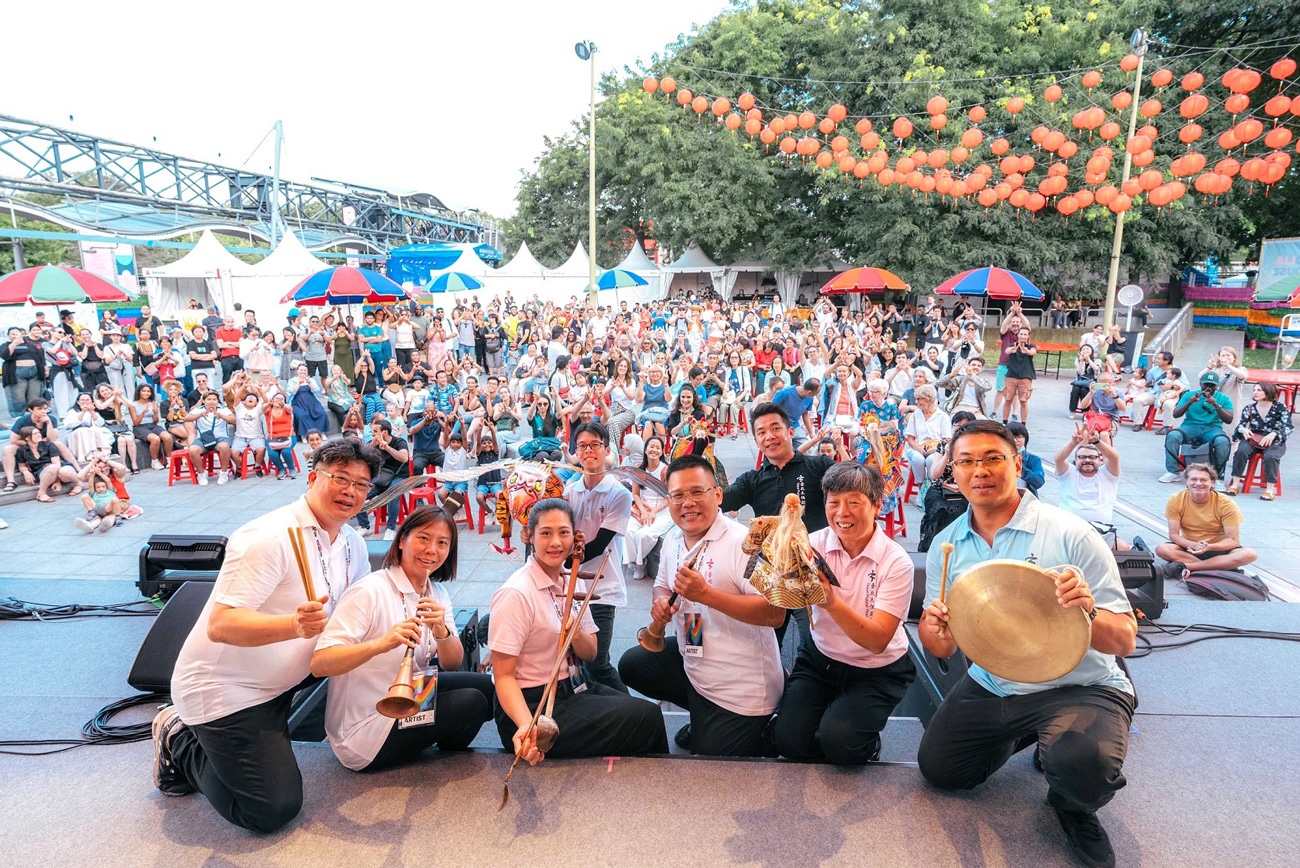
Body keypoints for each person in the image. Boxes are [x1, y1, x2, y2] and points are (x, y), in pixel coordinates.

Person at [918, 420, 1138, 868]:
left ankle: (1071, 805)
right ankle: (1032, 735)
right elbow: (941, 649)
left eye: (992, 458)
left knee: (1083, 766)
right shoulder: (946, 545)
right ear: (952, 473)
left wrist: (1087, 611)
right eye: (966, 462)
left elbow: (1126, 640)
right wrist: (933, 629)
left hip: (1081, 683)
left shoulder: (1070, 534)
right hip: (996, 682)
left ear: (1018, 464)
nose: (980, 470)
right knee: (943, 771)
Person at [152, 438, 378, 832]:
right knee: (271, 810)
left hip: (286, 679)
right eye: (340, 478)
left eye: (361, 485)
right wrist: (292, 625)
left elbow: (360, 609)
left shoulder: (351, 542)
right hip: (229, 691)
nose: (350, 491)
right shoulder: (268, 537)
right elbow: (222, 625)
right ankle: (178, 737)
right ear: (312, 478)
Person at [618, 454, 784, 756]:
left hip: (741, 690)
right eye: (678, 495)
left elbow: (775, 612)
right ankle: (701, 712)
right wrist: (659, 603)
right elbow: (663, 584)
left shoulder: (744, 543)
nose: (687, 503)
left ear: (718, 494)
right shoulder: (674, 539)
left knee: (709, 770)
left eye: (697, 492)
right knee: (633, 665)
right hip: (697, 663)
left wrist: (706, 594)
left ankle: (762, 731)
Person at [311, 507, 494, 771]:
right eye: (423, 538)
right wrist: (381, 644)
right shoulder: (369, 591)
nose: (432, 550)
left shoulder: (436, 591)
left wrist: (441, 631)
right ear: (401, 541)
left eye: (442, 543)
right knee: (470, 702)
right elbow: (320, 663)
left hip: (412, 694)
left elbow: (452, 662)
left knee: (486, 688)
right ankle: (434, 752)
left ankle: (438, 745)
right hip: (367, 727)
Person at [489, 498, 668, 763]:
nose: (556, 542)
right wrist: (528, 727)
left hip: (575, 687)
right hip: (532, 706)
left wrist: (577, 634)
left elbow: (590, 653)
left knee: (637, 710)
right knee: (647, 718)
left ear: (574, 536)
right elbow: (503, 677)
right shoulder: (515, 593)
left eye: (564, 533)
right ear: (529, 536)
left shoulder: (573, 579)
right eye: (546, 533)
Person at [773, 462, 916, 765]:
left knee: (843, 746)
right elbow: (781, 592)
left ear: (877, 504)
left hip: (878, 670)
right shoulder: (811, 544)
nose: (842, 513)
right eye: (834, 502)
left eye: (854, 502)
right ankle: (836, 725)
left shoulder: (896, 562)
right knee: (787, 741)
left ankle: (863, 741)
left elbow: (878, 640)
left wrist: (830, 601)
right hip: (820, 659)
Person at [564, 422, 633, 693]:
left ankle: (632, 711)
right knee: (573, 658)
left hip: (601, 589)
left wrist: (556, 560)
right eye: (582, 445)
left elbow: (597, 546)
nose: (588, 450)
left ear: (607, 450)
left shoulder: (619, 494)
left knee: (597, 663)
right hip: (570, 587)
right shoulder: (570, 491)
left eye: (595, 444)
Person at [1154, 463, 1258, 579]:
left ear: (1212, 483)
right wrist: (1193, 544)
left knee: (1249, 554)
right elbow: (1173, 534)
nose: (1198, 483)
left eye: (1204, 480)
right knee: (1163, 549)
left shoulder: (1226, 503)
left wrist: (1209, 547)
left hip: (1219, 548)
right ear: (1187, 482)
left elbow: (1233, 541)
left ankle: (1186, 566)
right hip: (1190, 547)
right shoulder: (1176, 499)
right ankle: (1218, 567)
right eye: (1194, 479)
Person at [1160, 371, 1233, 483]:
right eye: (1205, 385)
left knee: (1223, 441)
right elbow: (1176, 414)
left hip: (1212, 428)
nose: (1208, 388)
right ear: (1200, 384)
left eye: (1212, 386)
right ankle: (1173, 471)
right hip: (1190, 426)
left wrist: (1216, 405)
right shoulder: (1190, 395)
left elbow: (1229, 419)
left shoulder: (1224, 398)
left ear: (1217, 386)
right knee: (1173, 435)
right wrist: (1189, 402)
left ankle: (1218, 477)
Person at [1226, 382, 1291, 500]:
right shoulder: (1250, 408)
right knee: (1241, 451)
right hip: (1254, 438)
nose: (1255, 392)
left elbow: (1288, 427)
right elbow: (1240, 424)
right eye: (1254, 390)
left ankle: (1270, 489)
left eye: (1259, 390)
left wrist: (1275, 433)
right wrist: (1243, 430)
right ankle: (1235, 484)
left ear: (1268, 392)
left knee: (1271, 456)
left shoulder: (1280, 408)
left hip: (1274, 440)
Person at [357, 418, 410, 540]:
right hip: (382, 477)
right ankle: (365, 526)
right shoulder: (374, 443)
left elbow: (404, 458)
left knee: (392, 497)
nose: (373, 433)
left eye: (375, 431)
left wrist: (387, 448)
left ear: (384, 432)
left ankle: (390, 528)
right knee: (360, 494)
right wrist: (372, 445)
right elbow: (361, 457)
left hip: (399, 476)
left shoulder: (399, 442)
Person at [184, 391, 236, 486]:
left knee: (224, 447)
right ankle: (201, 474)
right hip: (203, 438)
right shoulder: (198, 410)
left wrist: (221, 416)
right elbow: (186, 419)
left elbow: (234, 420)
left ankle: (224, 473)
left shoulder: (223, 409)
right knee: (193, 450)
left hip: (220, 438)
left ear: (217, 401)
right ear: (203, 401)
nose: (211, 402)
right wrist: (200, 415)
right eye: (209, 399)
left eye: (214, 399)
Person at [903, 384, 952, 481]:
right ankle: (921, 488)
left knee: (931, 460)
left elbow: (946, 439)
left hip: (936, 448)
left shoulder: (942, 416)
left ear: (929, 400)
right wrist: (919, 448)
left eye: (919, 399)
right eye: (916, 399)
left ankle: (931, 487)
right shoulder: (915, 415)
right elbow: (910, 438)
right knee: (918, 459)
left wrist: (935, 449)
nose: (916, 402)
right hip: (917, 447)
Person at [1000, 326, 1037, 423]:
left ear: (1028, 336)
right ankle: (1004, 423)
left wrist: (1027, 351)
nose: (1023, 336)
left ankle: (1023, 424)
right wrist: (1012, 350)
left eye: (1025, 334)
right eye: (1021, 334)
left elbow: (1033, 352)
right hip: (1011, 375)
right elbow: (1007, 351)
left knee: (1023, 401)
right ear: (1018, 335)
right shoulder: (1013, 346)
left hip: (1025, 376)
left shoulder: (1031, 346)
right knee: (1008, 399)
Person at [772, 378, 822, 447]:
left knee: (805, 447)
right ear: (809, 393)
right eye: (815, 394)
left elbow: (805, 414)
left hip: (795, 425)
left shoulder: (809, 398)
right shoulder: (785, 393)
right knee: (787, 448)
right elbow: (771, 409)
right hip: (781, 426)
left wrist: (811, 433)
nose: (814, 396)